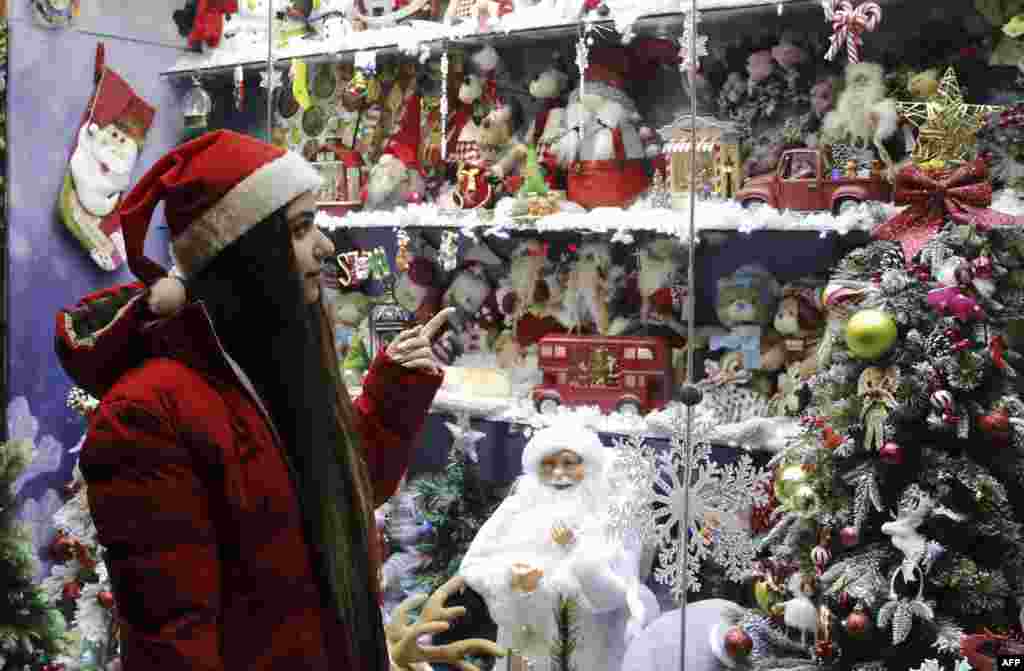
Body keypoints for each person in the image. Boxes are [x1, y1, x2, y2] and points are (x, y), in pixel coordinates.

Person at [55, 130, 501, 671]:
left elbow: (339, 493)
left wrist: (393, 391)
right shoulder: (149, 415)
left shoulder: (271, 364)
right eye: (300, 228)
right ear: (244, 251)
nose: (325, 246)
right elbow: (175, 642)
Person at [458, 421, 659, 671]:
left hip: (589, 649)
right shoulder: (515, 509)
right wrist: (510, 578)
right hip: (527, 644)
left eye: (568, 463)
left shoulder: (610, 515)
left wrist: (577, 550)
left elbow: (620, 593)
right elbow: (473, 566)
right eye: (548, 465)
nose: (558, 473)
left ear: (587, 465)